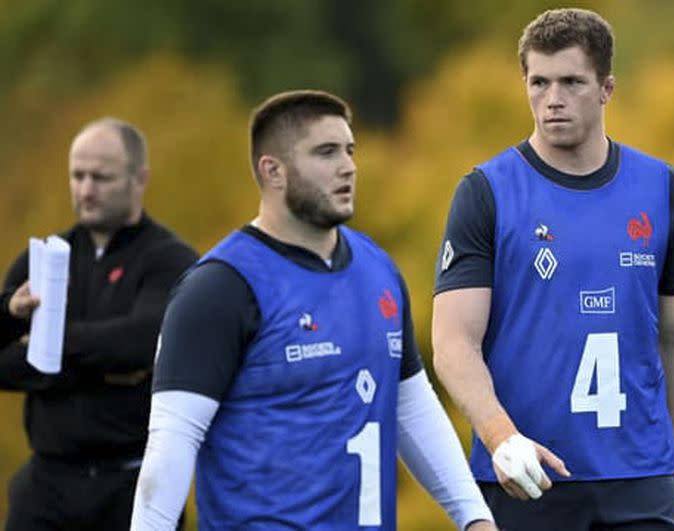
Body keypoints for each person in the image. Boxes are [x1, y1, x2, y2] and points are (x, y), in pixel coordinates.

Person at [130, 90, 495, 530]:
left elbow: (410, 407)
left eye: (350, 150)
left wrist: (474, 517)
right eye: (326, 153)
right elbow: (171, 445)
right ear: (273, 171)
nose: (348, 166)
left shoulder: (378, 269)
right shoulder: (219, 288)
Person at [431, 8, 674, 531]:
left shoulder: (660, 187)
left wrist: (667, 460)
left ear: (606, 88)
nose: (553, 98)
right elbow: (453, 342)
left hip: (639, 486)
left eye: (572, 81)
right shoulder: (486, 192)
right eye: (539, 82)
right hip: (527, 482)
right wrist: (499, 436)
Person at [0, 118, 198, 530]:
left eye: (101, 177)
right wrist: (102, 364)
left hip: (134, 487)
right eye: (78, 175)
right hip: (46, 487)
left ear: (139, 178)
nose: (86, 189)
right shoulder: (45, 257)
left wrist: (43, 346)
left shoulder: (170, 259)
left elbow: (141, 344)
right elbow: (2, 362)